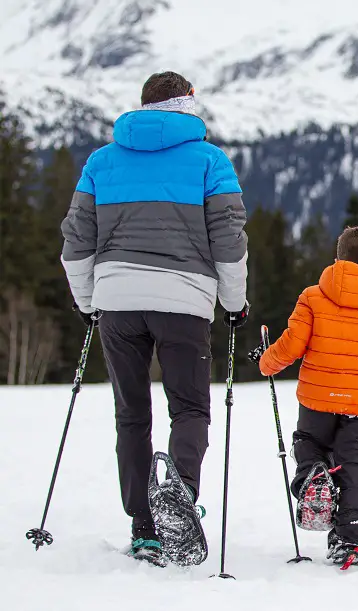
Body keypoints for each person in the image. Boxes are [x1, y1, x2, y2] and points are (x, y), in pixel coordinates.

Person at [60, 71, 249, 565]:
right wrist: (233, 303)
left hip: (117, 300)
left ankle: (144, 525)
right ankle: (180, 496)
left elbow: (76, 241)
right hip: (184, 301)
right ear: (188, 105)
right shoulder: (210, 160)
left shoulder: (101, 161)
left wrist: (88, 301)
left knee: (132, 415)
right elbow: (229, 240)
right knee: (189, 409)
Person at [253, 226, 358, 569]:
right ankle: (351, 540)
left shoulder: (312, 296)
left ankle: (313, 473)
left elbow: (291, 345)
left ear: (338, 259)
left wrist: (265, 361)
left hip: (317, 397)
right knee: (357, 466)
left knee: (309, 444)